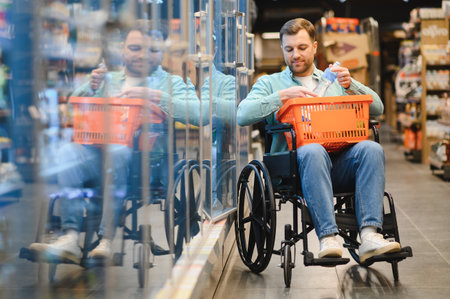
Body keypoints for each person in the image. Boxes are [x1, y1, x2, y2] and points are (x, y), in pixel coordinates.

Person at [237, 18, 401, 262]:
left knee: (370, 148)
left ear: (315, 47)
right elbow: (242, 115)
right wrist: (282, 96)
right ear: (283, 49)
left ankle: (369, 235)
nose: (295, 55)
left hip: (338, 165)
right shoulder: (270, 83)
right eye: (289, 49)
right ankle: (328, 237)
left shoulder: (332, 82)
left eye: (302, 48)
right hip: (295, 171)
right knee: (312, 150)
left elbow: (377, 108)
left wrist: (351, 83)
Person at [29, 23, 196, 263]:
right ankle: (70, 236)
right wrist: (91, 85)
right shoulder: (107, 78)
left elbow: (195, 113)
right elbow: (76, 104)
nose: (142, 55)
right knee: (66, 151)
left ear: (161, 52)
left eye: (152, 50)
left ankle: (106, 239)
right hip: (95, 155)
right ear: (123, 49)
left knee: (117, 151)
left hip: (144, 162)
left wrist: (159, 97)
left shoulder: (173, 83)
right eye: (135, 48)